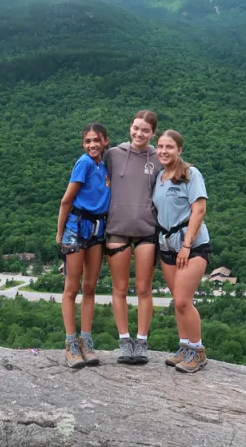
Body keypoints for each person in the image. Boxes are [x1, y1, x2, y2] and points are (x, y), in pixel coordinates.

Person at [152, 130, 212, 373]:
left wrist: (187, 245)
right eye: (160, 146)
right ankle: (185, 346)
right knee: (177, 303)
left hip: (192, 246)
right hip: (167, 246)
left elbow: (199, 210)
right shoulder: (159, 177)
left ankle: (198, 351)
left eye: (170, 147)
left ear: (179, 150)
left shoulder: (190, 174)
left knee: (183, 300)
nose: (164, 151)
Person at [103, 110, 159, 364]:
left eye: (145, 130)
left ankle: (142, 341)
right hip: (117, 228)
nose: (139, 133)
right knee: (120, 288)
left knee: (144, 289)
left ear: (153, 133)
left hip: (147, 230)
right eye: (136, 128)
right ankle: (125, 341)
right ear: (130, 127)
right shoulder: (113, 155)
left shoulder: (159, 157)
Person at [56, 123, 110, 368]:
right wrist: (60, 236)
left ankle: (86, 342)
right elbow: (66, 200)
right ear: (82, 144)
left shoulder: (105, 164)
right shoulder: (84, 163)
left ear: (105, 142)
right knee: (72, 288)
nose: (92, 145)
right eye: (87, 141)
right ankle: (70, 345)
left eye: (96, 140)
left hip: (97, 230)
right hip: (76, 230)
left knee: (90, 287)